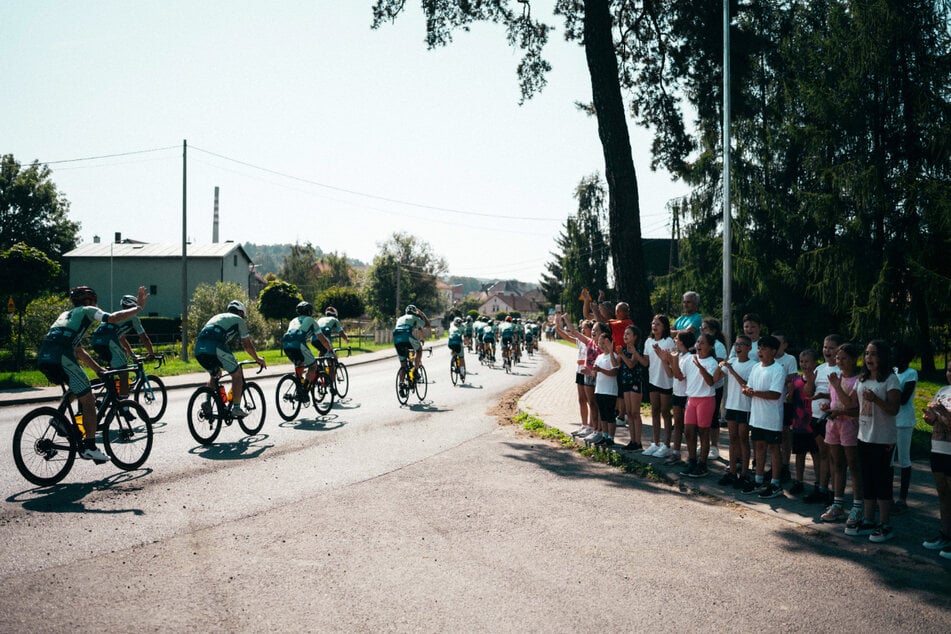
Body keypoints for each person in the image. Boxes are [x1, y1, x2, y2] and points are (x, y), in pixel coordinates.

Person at [37, 285, 148, 462]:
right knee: (88, 399)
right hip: (62, 356)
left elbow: (79, 351)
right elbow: (112, 318)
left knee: (77, 388)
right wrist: (139, 308)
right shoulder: (87, 310)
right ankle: (90, 447)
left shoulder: (65, 316)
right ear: (91, 300)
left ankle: (58, 420)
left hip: (45, 357)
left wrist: (99, 370)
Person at [849, 340, 901, 542]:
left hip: (883, 439)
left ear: (883, 357)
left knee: (882, 481)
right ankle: (869, 519)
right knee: (867, 479)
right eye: (867, 353)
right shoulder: (861, 379)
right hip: (864, 437)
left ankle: (885, 524)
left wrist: (876, 400)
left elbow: (894, 409)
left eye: (873, 354)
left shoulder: (890, 380)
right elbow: (853, 404)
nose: (868, 358)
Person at [194, 299, 267, 418]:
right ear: (241, 313)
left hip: (198, 349)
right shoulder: (239, 320)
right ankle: (237, 408)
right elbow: (247, 345)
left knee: (215, 373)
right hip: (215, 347)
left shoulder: (219, 317)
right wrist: (257, 358)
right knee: (237, 373)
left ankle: (207, 402)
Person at [819, 343, 862, 527]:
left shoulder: (858, 380)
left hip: (850, 425)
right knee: (837, 464)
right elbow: (834, 401)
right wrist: (828, 407)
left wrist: (837, 387)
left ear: (853, 359)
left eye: (844, 358)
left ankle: (858, 505)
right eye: (838, 358)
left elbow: (854, 408)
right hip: (833, 424)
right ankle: (837, 503)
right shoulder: (835, 378)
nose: (840, 362)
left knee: (853, 464)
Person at [739, 335, 786, 498]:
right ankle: (758, 480)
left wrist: (753, 392)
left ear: (773, 351)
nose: (760, 351)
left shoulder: (778, 369)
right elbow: (750, 388)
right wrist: (747, 390)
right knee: (758, 447)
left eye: (764, 348)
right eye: (759, 348)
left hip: (772, 418)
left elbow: (775, 394)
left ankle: (775, 483)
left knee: (773, 449)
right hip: (757, 417)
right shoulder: (756, 368)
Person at [801, 334, 844, 505]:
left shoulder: (841, 370)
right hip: (816, 417)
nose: (827, 350)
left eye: (831, 348)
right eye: (825, 347)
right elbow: (808, 393)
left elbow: (841, 394)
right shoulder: (820, 368)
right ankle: (821, 488)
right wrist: (810, 381)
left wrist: (824, 395)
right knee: (821, 455)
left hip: (832, 417)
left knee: (835, 457)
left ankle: (835, 494)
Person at [91, 293, 156, 402]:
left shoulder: (117, 315)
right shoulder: (133, 318)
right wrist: (151, 353)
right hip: (109, 342)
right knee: (124, 372)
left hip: (96, 341)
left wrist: (130, 353)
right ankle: (124, 407)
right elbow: (144, 338)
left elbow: (121, 338)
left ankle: (104, 390)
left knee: (112, 372)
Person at [673, 332, 719, 477]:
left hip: (706, 399)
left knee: (703, 433)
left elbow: (711, 382)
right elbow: (680, 376)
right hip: (691, 399)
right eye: (698, 342)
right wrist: (673, 361)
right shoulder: (690, 359)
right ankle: (692, 461)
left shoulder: (712, 362)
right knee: (688, 431)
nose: (698, 345)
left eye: (702, 343)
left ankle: (702, 464)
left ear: (710, 347)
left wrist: (700, 367)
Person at [718, 334, 756, 487]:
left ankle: (745, 473)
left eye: (742, 344)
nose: (738, 347)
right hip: (731, 405)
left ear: (749, 348)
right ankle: (732, 471)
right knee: (732, 439)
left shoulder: (753, 365)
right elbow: (716, 377)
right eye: (736, 344)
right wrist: (719, 366)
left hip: (744, 407)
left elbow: (746, 385)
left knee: (743, 439)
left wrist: (732, 370)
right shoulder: (731, 361)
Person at [921, 361, 951, 559]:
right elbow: (934, 419)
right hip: (938, 448)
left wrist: (942, 413)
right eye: (949, 370)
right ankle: (946, 534)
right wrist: (929, 417)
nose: (950, 374)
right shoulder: (943, 390)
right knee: (943, 494)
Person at [556, 314, 597, 439]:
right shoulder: (580, 341)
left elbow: (573, 332)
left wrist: (567, 319)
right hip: (580, 371)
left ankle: (591, 426)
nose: (583, 330)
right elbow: (567, 337)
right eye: (582, 328)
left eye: (585, 328)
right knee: (581, 399)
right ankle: (584, 425)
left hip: (589, 372)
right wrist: (558, 325)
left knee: (591, 401)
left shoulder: (593, 342)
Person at [659, 331, 694, 467]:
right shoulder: (679, 355)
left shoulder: (689, 357)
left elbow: (680, 376)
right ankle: (676, 452)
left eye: (677, 339)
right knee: (678, 424)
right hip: (677, 393)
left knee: (689, 428)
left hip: (686, 395)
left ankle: (692, 457)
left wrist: (672, 360)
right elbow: (670, 374)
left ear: (683, 342)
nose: (674, 340)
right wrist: (663, 359)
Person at [644, 314, 676, 458]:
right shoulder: (648, 341)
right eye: (652, 323)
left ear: (664, 327)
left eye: (657, 324)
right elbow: (646, 362)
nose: (654, 326)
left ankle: (667, 444)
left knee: (665, 412)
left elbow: (671, 361)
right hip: (653, 380)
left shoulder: (668, 341)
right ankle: (655, 443)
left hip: (666, 381)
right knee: (655, 411)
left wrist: (661, 354)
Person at [789, 349, 820, 497]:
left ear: (815, 363)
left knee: (816, 454)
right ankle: (798, 481)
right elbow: (790, 400)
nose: (804, 364)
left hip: (813, 423)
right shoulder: (796, 380)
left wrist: (811, 380)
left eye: (807, 361)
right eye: (801, 361)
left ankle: (819, 483)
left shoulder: (819, 379)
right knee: (799, 454)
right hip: (798, 423)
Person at [283, 301, 333, 390]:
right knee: (313, 366)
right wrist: (330, 349)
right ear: (309, 312)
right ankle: (304, 389)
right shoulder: (311, 320)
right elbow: (323, 339)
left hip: (286, 344)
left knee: (300, 363)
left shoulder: (293, 320)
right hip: (298, 343)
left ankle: (298, 387)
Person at [892, 342, 918, 513]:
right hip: (889, 421)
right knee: (888, 460)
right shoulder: (893, 371)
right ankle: (887, 496)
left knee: (903, 459)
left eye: (896, 354)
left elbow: (902, 399)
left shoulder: (911, 373)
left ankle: (902, 499)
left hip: (904, 421)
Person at [772, 331, 799, 481]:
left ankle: (785, 465)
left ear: (785, 344)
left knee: (784, 434)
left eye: (778, 342)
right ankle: (774, 465)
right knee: (772, 436)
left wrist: (777, 379)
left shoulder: (789, 359)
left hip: (784, 401)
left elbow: (792, 377)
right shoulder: (768, 359)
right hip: (769, 403)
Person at [585, 331, 620, 447]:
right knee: (603, 415)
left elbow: (614, 372)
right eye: (600, 343)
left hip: (609, 391)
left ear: (610, 343)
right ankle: (604, 435)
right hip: (599, 390)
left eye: (605, 343)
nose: (602, 345)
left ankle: (611, 437)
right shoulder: (599, 357)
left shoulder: (614, 356)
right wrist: (590, 372)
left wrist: (600, 370)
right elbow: (596, 373)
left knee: (610, 415)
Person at [618, 324, 649, 451]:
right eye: (624, 334)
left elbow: (631, 364)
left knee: (635, 412)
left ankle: (638, 441)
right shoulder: (624, 350)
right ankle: (632, 440)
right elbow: (618, 364)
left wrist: (623, 354)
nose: (625, 336)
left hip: (635, 382)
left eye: (628, 334)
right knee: (629, 412)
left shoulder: (637, 349)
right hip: (626, 382)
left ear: (635, 337)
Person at [701, 317, 728, 460]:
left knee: (713, 416)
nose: (702, 330)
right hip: (701, 387)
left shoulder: (719, 346)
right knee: (703, 417)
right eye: (702, 328)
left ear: (713, 331)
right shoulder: (700, 342)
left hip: (715, 386)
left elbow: (718, 366)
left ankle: (714, 446)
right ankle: (704, 443)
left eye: (705, 328)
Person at [393, 304, 431, 375]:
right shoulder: (414, 318)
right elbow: (427, 325)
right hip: (407, 337)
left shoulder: (400, 318)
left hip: (396, 339)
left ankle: (402, 383)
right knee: (419, 350)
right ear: (414, 312)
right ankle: (416, 371)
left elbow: (419, 329)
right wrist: (421, 313)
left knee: (403, 365)